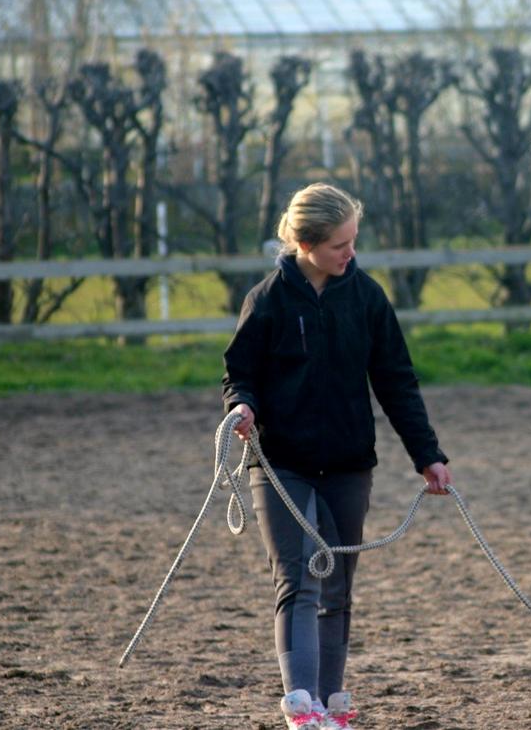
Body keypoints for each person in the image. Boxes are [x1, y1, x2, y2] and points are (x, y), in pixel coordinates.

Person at [222, 182, 452, 730]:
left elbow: (396, 381)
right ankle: (302, 707)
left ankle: (332, 703)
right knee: (298, 578)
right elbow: (240, 374)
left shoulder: (367, 297)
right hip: (281, 464)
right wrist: (243, 407)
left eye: (352, 241)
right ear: (304, 244)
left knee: (337, 585)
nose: (350, 253)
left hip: (350, 465)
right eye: (338, 245)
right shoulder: (268, 300)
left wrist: (428, 455)